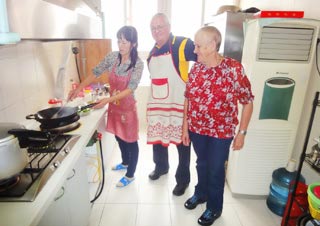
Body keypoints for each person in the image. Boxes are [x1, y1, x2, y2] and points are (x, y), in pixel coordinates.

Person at [181, 26, 254, 226]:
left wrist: (242, 133)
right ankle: (201, 193)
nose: (194, 50)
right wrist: (185, 127)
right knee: (201, 164)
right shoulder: (196, 68)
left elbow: (247, 101)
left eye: (197, 46)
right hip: (197, 129)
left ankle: (214, 207)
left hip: (221, 132)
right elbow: (188, 99)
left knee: (215, 169)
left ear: (212, 46)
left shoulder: (233, 69)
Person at [69, 26, 144, 187]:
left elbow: (131, 88)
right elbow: (95, 72)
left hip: (128, 108)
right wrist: (78, 88)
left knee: (131, 140)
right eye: (119, 41)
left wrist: (107, 100)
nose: (120, 45)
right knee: (118, 135)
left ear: (133, 44)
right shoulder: (112, 57)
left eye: (124, 42)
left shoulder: (138, 63)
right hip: (115, 107)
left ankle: (130, 175)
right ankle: (125, 162)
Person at [146, 13, 197, 196]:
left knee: (182, 146)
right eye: (153, 28)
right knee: (159, 140)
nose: (157, 31)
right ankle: (161, 167)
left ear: (169, 26)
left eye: (160, 26)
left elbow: (204, 58)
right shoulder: (151, 53)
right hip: (159, 105)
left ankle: (183, 180)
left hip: (178, 107)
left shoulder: (182, 45)